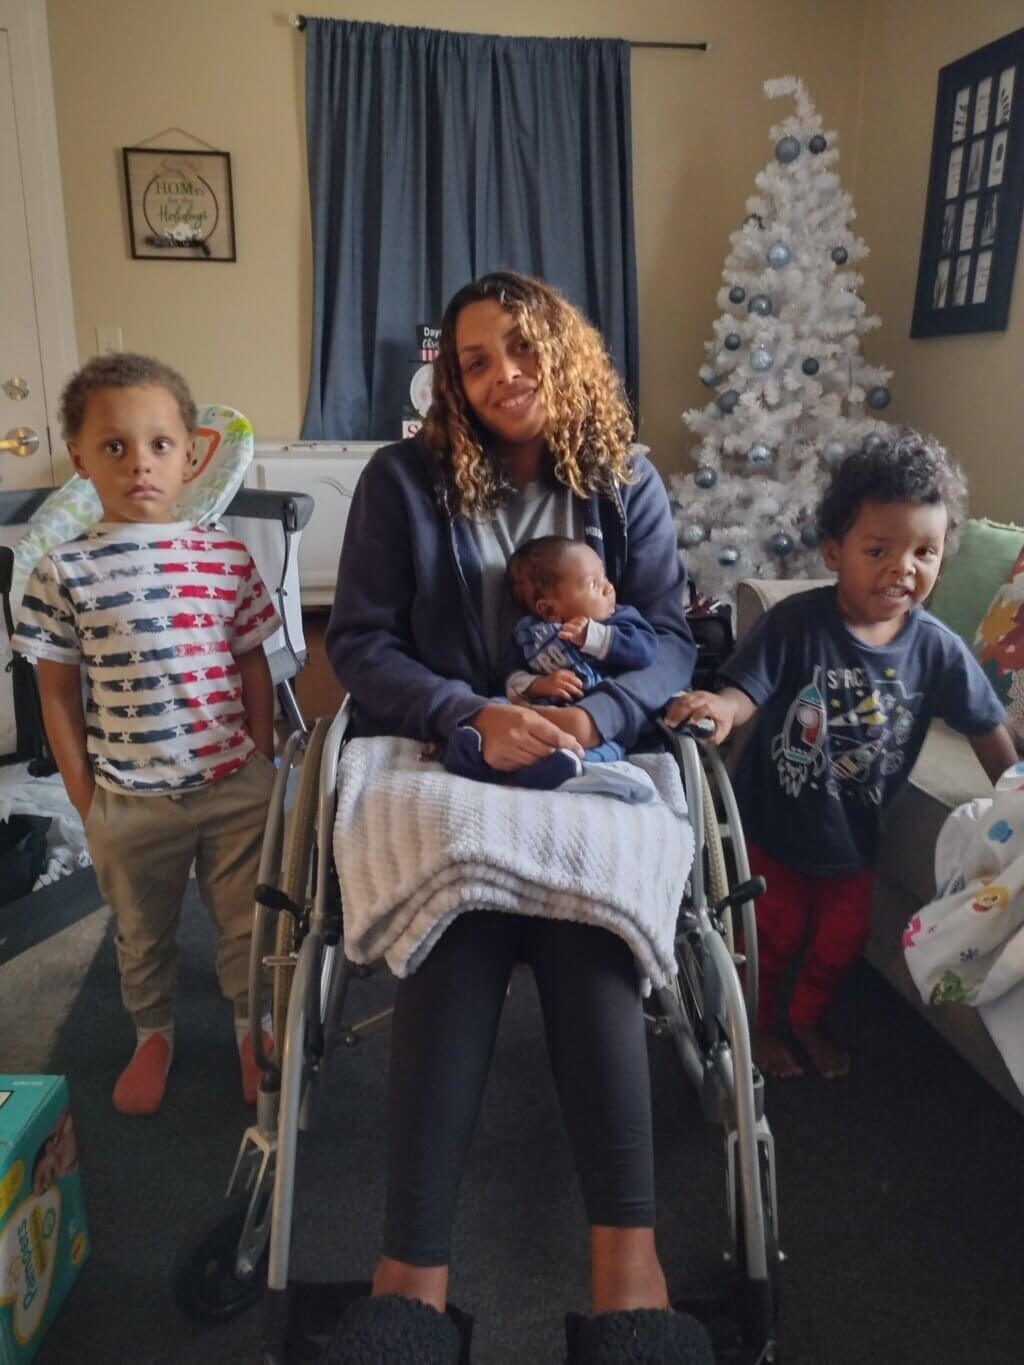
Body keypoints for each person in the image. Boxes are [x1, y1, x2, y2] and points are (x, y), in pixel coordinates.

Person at [324, 272, 712, 1365]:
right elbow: (359, 642)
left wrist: (597, 712)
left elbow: (673, 639)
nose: (502, 375)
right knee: (462, 902)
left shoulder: (624, 481)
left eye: (522, 349)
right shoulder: (402, 482)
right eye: (476, 359)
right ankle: (408, 1283)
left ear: (566, 352)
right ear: (450, 377)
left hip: (593, 749)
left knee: (584, 910)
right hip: (448, 748)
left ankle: (630, 1273)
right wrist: (472, 712)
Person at [668, 431, 1016, 1082]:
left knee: (839, 943)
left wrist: (1018, 792)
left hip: (855, 841)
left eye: (925, 551)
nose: (903, 567)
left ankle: (804, 1018)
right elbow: (745, 693)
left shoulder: (937, 649)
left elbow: (988, 728)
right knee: (768, 938)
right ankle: (764, 1025)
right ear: (836, 552)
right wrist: (718, 708)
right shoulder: (796, 623)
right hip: (772, 829)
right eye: (879, 550)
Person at [13, 354, 280, 1116]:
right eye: (115, 447)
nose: (140, 464)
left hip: (234, 785)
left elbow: (252, 661)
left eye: (159, 445)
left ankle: (245, 1026)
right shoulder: (62, 572)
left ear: (191, 452)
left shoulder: (225, 556)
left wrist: (259, 758)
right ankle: (152, 1031)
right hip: (128, 797)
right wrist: (83, 792)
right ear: (81, 459)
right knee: (140, 926)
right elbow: (57, 695)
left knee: (246, 920)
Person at [443, 535, 659, 795]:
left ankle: (563, 767)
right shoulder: (530, 635)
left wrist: (594, 636)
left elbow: (646, 650)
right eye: (593, 583)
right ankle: (470, 749)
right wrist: (536, 684)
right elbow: (505, 673)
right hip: (535, 714)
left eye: (604, 577)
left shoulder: (619, 622)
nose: (608, 587)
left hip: (591, 720)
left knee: (610, 749)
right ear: (548, 610)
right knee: (496, 706)